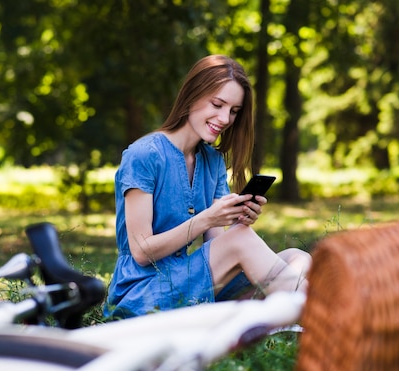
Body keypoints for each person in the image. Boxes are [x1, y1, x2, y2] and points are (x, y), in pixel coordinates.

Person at [104, 55, 310, 319]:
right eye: (217, 104)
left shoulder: (212, 161)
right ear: (192, 95)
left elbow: (218, 245)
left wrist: (237, 219)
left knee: (297, 257)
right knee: (245, 243)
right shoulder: (144, 155)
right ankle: (324, 319)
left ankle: (294, 316)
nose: (225, 118)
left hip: (188, 281)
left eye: (234, 111)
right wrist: (208, 220)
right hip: (141, 294)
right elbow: (142, 252)